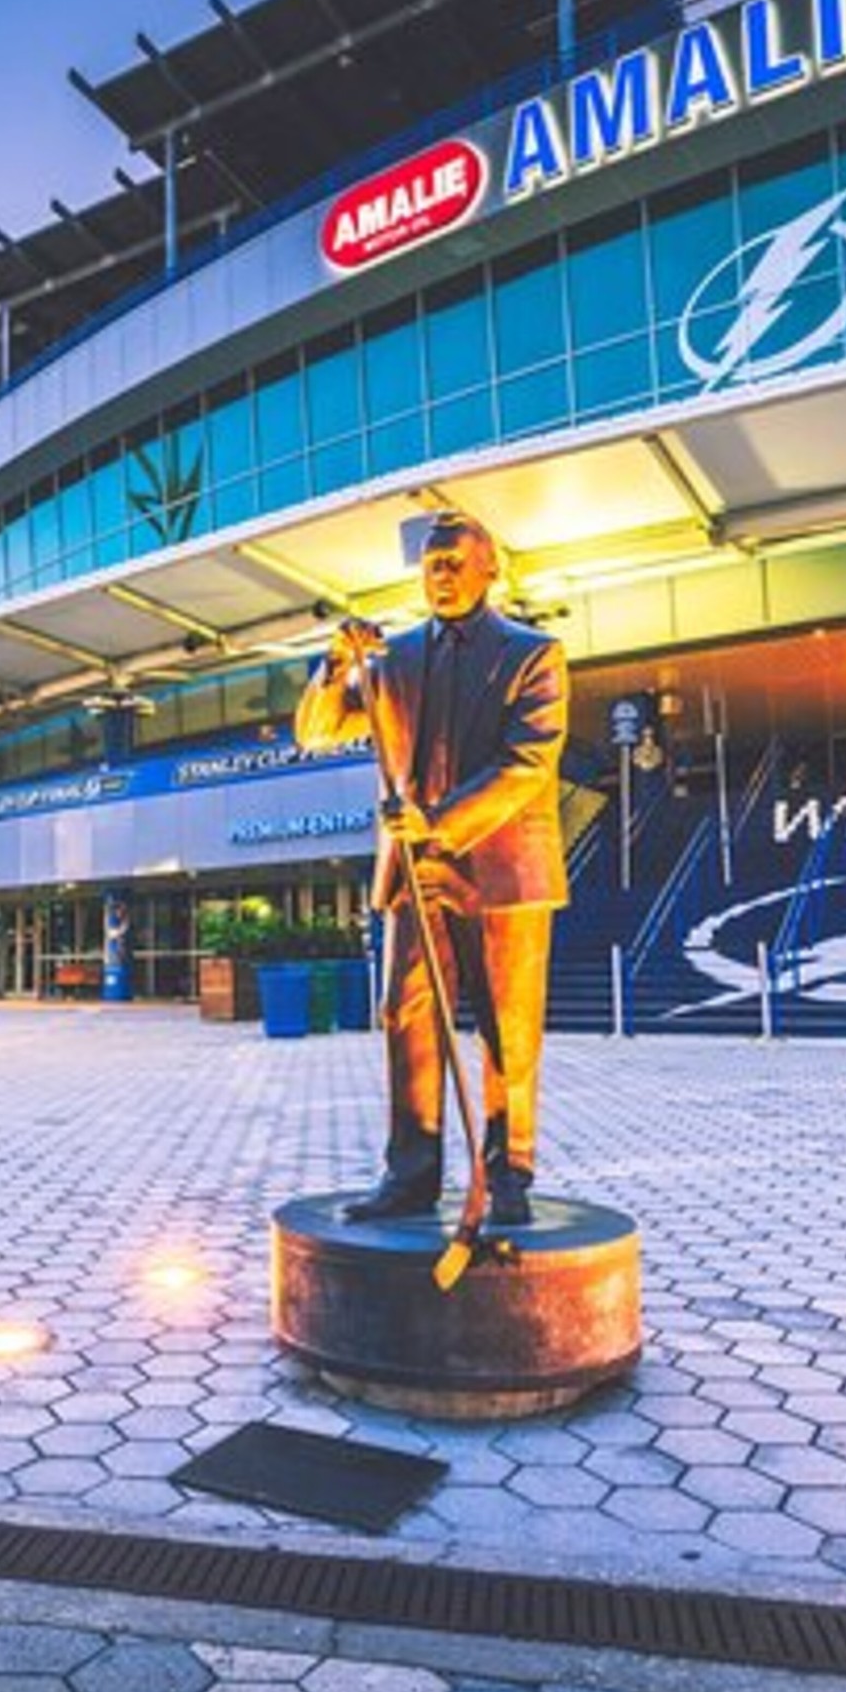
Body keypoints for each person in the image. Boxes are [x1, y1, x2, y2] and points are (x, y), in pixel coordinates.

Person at [294, 512, 567, 1229]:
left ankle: (508, 1176)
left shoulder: (534, 654)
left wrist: (440, 820)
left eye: (454, 562)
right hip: (415, 872)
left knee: (508, 1030)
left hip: (502, 870)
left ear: (490, 569)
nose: (440, 574)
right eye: (431, 563)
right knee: (406, 1016)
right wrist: (333, 667)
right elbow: (317, 731)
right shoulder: (395, 659)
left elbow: (529, 764)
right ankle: (411, 1175)